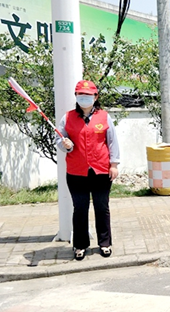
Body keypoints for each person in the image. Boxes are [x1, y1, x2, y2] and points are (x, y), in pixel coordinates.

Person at [56, 80, 120, 260]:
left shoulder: (104, 117)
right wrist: (65, 144)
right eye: (80, 95)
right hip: (76, 172)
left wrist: (114, 164)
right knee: (80, 208)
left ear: (95, 96)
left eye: (88, 95)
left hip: (100, 170)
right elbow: (60, 139)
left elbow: (112, 141)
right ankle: (80, 245)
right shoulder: (67, 118)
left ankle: (105, 243)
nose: (84, 98)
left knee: (102, 207)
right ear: (76, 97)